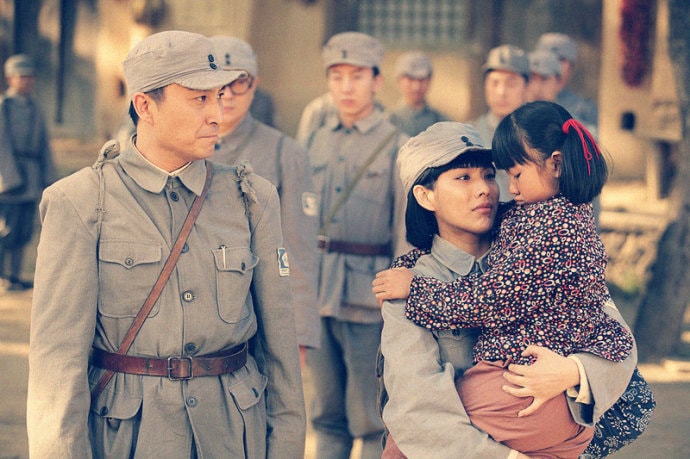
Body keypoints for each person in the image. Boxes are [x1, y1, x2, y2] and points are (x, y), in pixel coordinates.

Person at [27, 30, 306, 457]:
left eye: (219, 96)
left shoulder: (252, 198)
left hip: (232, 435)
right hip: (130, 438)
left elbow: (280, 349)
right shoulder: (79, 202)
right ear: (145, 106)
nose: (217, 114)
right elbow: (57, 366)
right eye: (199, 99)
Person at [382, 103, 635, 457]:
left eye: (489, 175)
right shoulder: (408, 283)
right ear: (425, 196)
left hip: (545, 423)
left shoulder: (541, 244)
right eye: (463, 178)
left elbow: (618, 337)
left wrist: (574, 371)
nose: (486, 189)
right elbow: (418, 410)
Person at [304, 31, 409, 459]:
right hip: (317, 291)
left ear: (377, 81)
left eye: (357, 76)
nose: (346, 87)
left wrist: (397, 305)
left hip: (368, 298)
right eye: (337, 76)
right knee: (325, 415)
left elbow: (403, 233)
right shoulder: (314, 138)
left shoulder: (397, 145)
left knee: (369, 417)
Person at [209, 35, 320, 361]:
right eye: (219, 82)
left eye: (239, 82)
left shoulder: (286, 154)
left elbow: (297, 252)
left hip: (256, 311)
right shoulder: (180, 147)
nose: (228, 93)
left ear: (254, 84)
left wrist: (299, 332)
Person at [0, 54, 57, 290]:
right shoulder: (4, 106)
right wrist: (10, 179)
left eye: (30, 77)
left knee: (25, 229)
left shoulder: (35, 107)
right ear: (10, 79)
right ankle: (3, 275)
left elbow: (43, 145)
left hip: (31, 176)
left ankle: (15, 275)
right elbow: (2, 145)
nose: (27, 81)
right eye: (21, 77)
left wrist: (49, 178)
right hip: (10, 177)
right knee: (8, 229)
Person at [470, 44, 530, 202]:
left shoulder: (539, 135)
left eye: (511, 84)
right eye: (494, 83)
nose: (501, 92)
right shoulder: (468, 135)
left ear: (526, 88)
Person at [535, 33, 598, 134]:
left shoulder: (584, 108)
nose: (552, 65)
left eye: (560, 59)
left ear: (571, 67)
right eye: (546, 59)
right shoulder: (518, 97)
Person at [386, 51, 451, 137]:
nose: (416, 86)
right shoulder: (388, 122)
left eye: (421, 80)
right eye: (411, 79)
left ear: (429, 81)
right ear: (399, 81)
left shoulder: (442, 123)